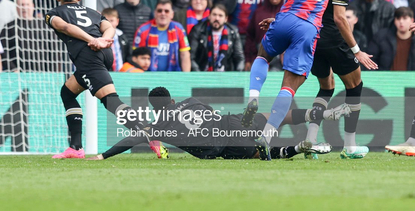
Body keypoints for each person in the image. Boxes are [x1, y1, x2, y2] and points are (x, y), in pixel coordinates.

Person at [243, 0, 333, 160]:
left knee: (263, 55)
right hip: (308, 29)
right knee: (290, 86)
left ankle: (253, 98)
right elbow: (313, 7)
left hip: (286, 19)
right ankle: (267, 136)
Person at [46, 0, 151, 159]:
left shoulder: (54, 12)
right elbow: (108, 27)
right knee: (67, 93)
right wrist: (103, 40)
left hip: (88, 56)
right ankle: (75, 148)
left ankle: (147, 133)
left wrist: (92, 40)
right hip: (103, 52)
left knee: (111, 101)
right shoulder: (91, 11)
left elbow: (66, 27)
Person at [89, 86, 340, 161]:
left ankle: (296, 148)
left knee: (256, 154)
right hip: (230, 123)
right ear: (173, 98)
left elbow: (132, 139)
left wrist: (104, 155)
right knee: (275, 116)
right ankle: (314, 115)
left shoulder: (158, 125)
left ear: (154, 109)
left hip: (216, 146)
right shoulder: (191, 99)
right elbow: (207, 113)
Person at [299, 0, 378, 159]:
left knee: (326, 87)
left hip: (311, 38)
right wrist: (356, 50)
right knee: (355, 85)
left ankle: (310, 142)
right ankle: (350, 146)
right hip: (333, 38)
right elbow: (340, 18)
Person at [133, 0, 191, 72]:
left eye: (166, 11)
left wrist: (185, 77)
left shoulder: (179, 29)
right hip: (148, 76)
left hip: (173, 75)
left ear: (172, 14)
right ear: (155, 13)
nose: (163, 13)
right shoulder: (143, 30)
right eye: (159, 11)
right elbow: (136, 58)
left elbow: (185, 55)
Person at [188, 4, 245, 71]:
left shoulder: (233, 32)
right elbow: (191, 57)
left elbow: (239, 57)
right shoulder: (198, 30)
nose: (217, 18)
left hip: (225, 74)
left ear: (225, 19)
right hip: (203, 73)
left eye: (220, 16)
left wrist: (237, 75)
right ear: (209, 16)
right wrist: (199, 76)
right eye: (214, 15)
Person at [368, 6, 415, 72]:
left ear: (412, 20)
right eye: (398, 18)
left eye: (405, 18)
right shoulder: (381, 37)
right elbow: (372, 59)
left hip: (411, 79)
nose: (401, 21)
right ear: (394, 21)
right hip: (386, 79)